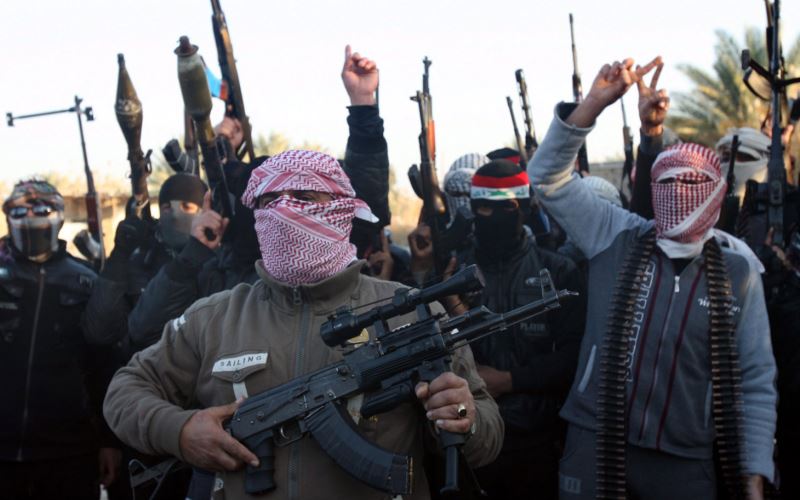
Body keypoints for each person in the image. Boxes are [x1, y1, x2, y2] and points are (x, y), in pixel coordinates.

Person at [104, 150, 502, 500]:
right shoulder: (215, 318)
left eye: (304, 198)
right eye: (270, 200)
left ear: (342, 208)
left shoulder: (410, 311)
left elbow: (487, 434)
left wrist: (462, 418)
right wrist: (181, 431)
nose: (284, 210)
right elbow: (125, 390)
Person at [528, 57, 776, 499]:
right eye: (667, 183)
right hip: (596, 442)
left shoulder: (738, 271)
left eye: (692, 185)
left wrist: (754, 472)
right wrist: (592, 105)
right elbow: (547, 177)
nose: (678, 194)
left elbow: (755, 377)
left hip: (685, 461)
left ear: (716, 193)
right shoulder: (615, 234)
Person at [442, 160, 586, 500]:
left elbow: (574, 357)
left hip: (540, 439)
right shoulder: (455, 272)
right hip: (472, 435)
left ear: (524, 206)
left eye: (506, 207)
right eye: (484, 208)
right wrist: (449, 303)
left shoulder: (558, 271)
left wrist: (510, 380)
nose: (494, 218)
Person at [0, 179, 121, 499]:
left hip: (71, 450)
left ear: (60, 215)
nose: (30, 217)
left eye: (42, 209)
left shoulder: (86, 280)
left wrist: (109, 440)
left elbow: (104, 362)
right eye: (19, 211)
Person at [82, 172, 208, 354]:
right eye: (167, 208)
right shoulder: (140, 259)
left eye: (186, 207)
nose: (175, 215)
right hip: (143, 364)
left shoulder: (217, 261)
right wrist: (119, 255)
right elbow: (99, 332)